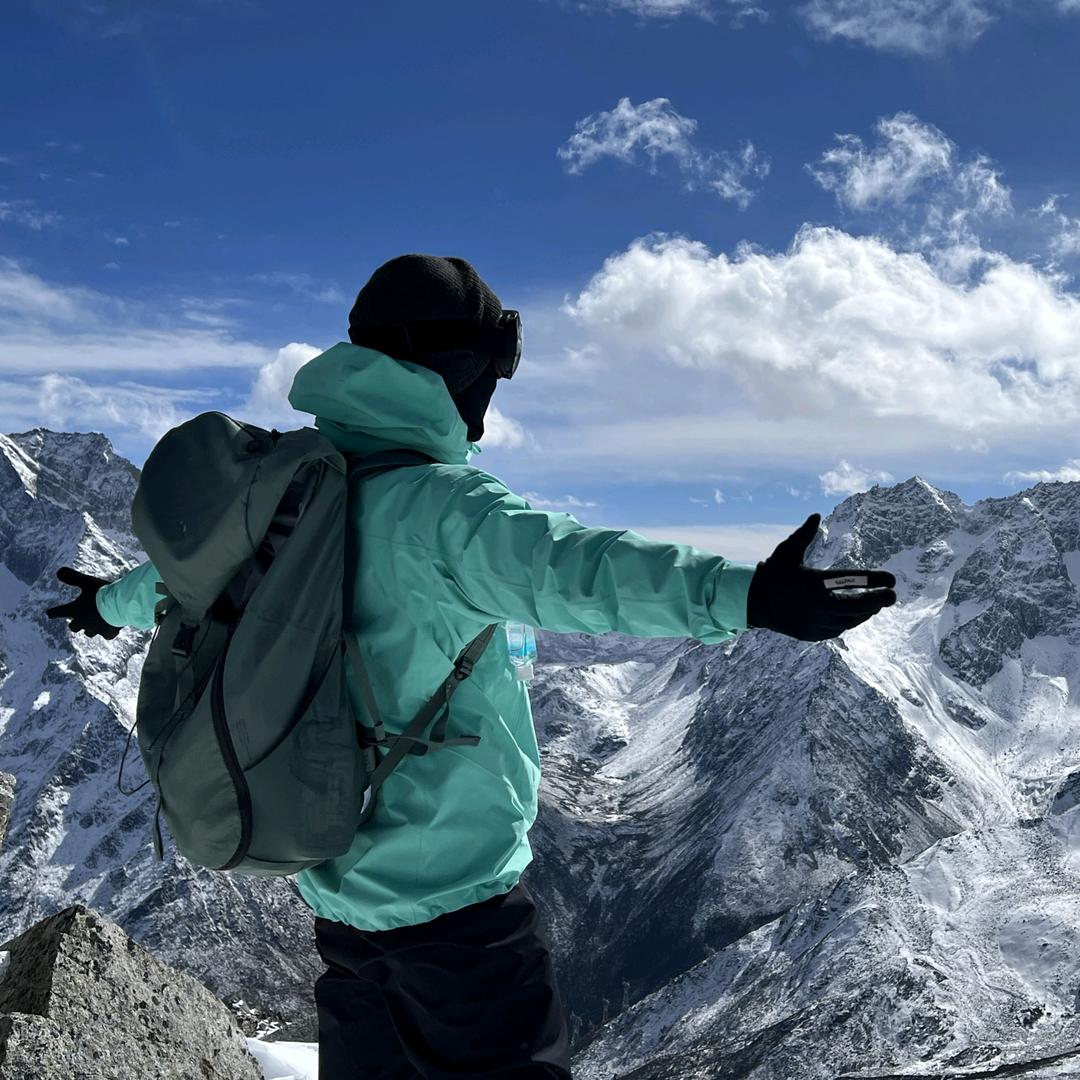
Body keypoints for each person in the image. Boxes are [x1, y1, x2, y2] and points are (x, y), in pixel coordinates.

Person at [45, 254, 897, 1079]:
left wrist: (103, 604)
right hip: (459, 920)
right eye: (495, 369)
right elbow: (580, 568)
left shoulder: (277, 491)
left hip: (333, 897)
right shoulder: (443, 511)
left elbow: (176, 577)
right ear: (457, 370)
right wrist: (749, 595)